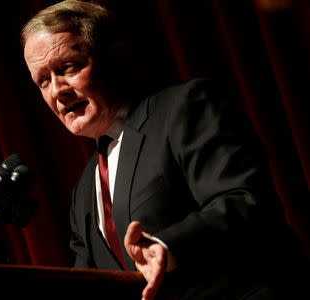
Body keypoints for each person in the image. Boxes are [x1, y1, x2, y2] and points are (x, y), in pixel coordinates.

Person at [21, 1, 309, 299]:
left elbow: (245, 201)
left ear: (115, 58)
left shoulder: (184, 109)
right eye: (43, 80)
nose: (57, 90)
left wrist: (167, 248)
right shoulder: (84, 193)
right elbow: (90, 283)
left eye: (68, 67)